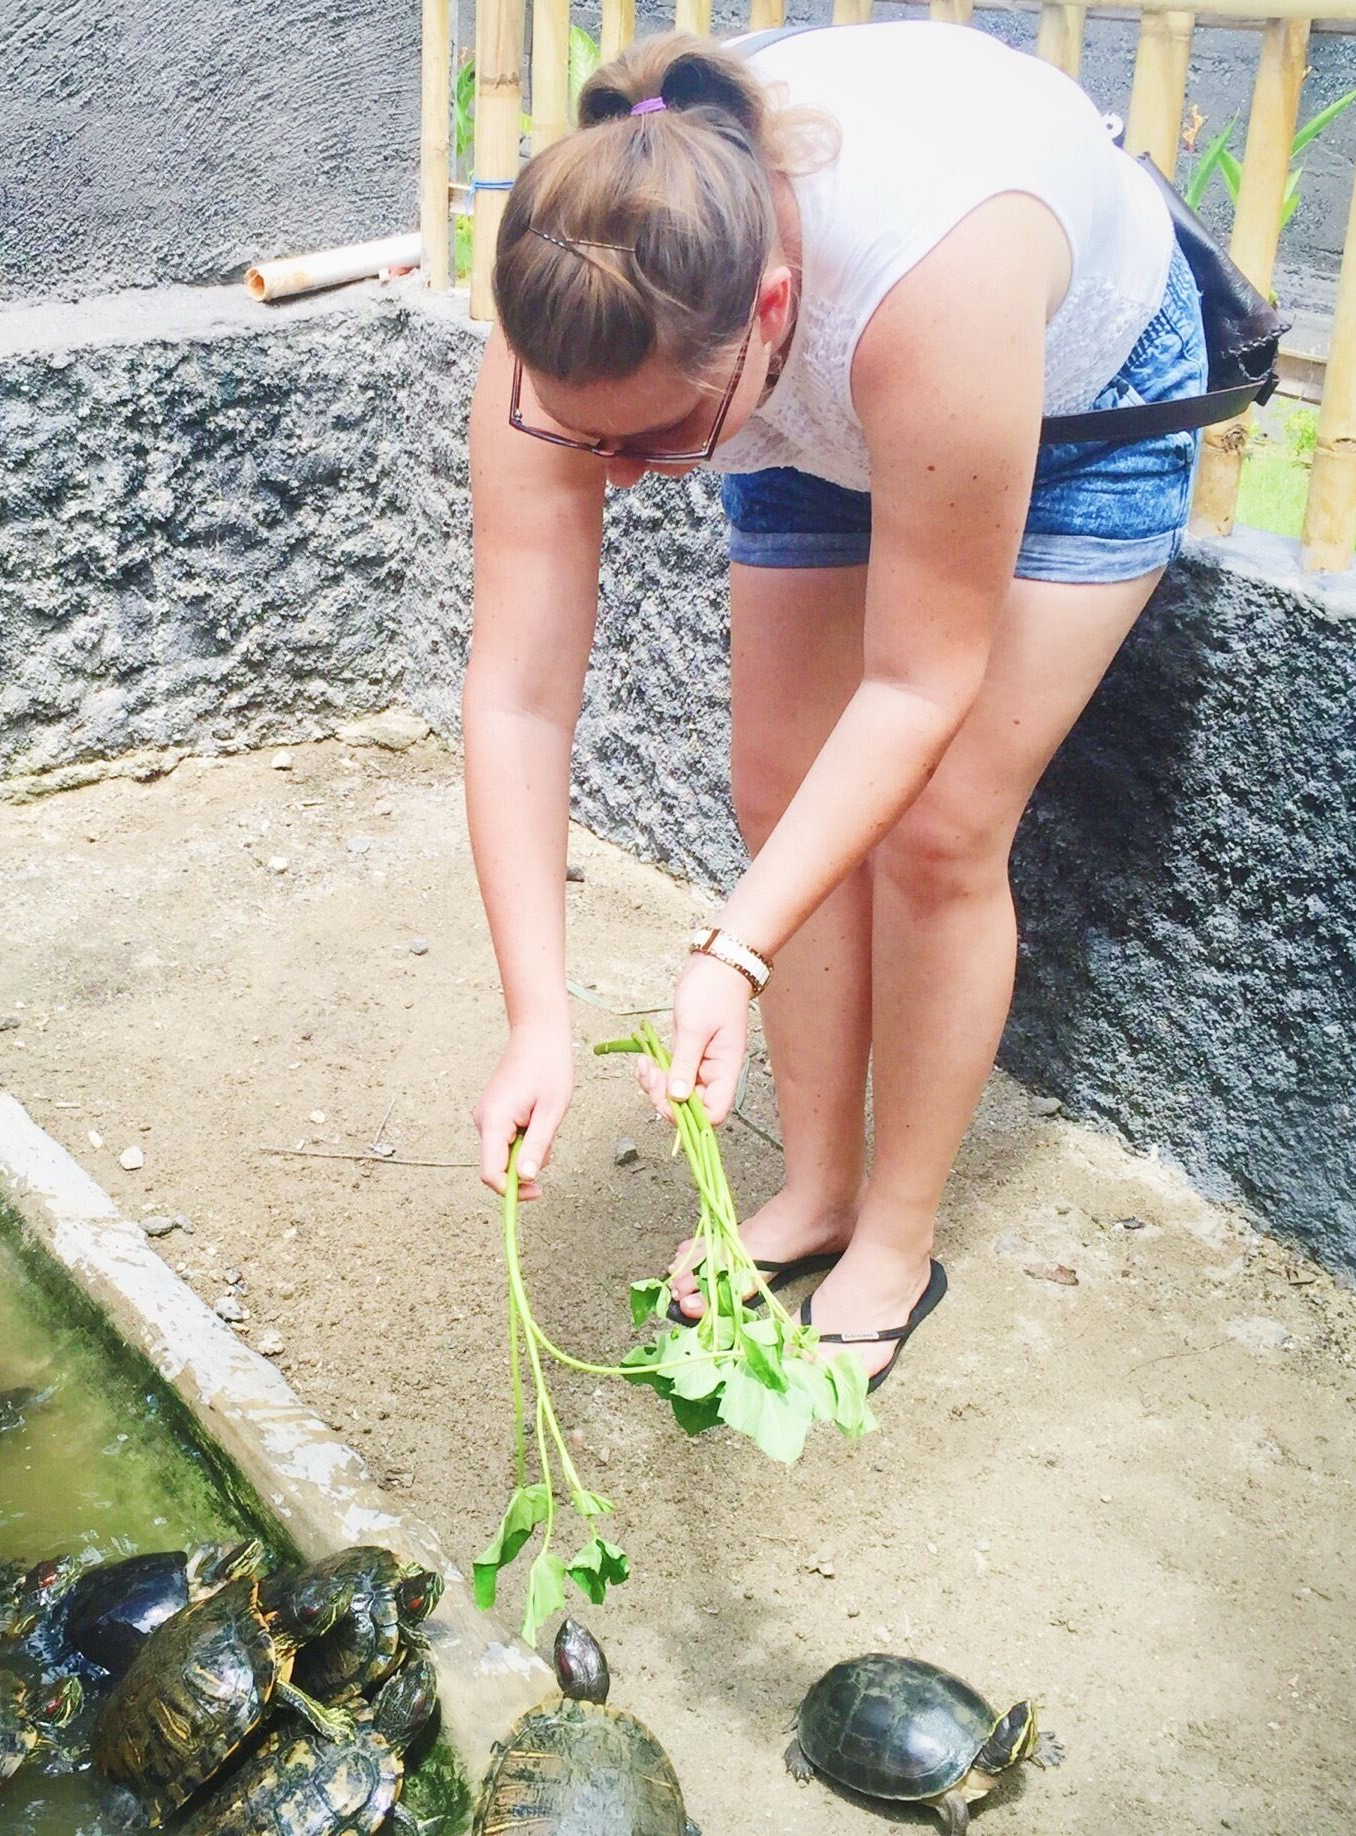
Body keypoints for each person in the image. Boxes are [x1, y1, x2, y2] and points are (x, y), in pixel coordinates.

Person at [462, 20, 1205, 1389]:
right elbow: (515, 696)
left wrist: (730, 954)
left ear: (767, 308)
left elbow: (921, 682)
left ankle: (898, 1238)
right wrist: (537, 1016)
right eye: (584, 440)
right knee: (778, 787)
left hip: (1067, 401)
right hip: (800, 388)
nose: (615, 481)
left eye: (654, 446)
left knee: (940, 826)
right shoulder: (573, 303)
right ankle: (815, 1186)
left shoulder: (933, 279)